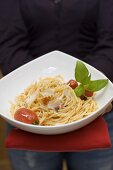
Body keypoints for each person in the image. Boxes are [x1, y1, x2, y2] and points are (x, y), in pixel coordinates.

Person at [0, 0, 113, 170]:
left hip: (94, 109)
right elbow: (9, 45)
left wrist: (80, 90)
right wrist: (40, 90)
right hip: (29, 114)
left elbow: (110, 42)